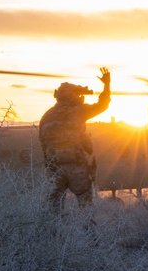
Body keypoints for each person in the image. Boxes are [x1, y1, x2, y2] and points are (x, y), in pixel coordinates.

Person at [38, 67, 111, 209]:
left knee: (52, 209)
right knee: (86, 207)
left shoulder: (47, 116)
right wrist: (106, 85)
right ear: (72, 96)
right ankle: (87, 231)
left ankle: (53, 231)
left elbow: (43, 143)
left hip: (55, 169)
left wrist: (51, 163)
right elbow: (102, 105)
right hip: (77, 167)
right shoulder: (78, 111)